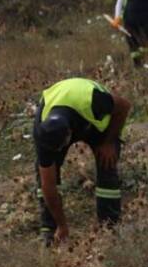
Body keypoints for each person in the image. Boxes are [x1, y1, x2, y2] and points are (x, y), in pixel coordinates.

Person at [33, 77, 131, 244]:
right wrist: (62, 225)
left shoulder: (95, 101)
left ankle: (109, 225)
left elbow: (124, 105)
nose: (57, 152)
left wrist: (109, 141)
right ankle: (49, 229)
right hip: (65, 114)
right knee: (44, 174)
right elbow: (48, 184)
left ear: (70, 134)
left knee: (107, 162)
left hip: (94, 122)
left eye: (60, 147)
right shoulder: (42, 131)